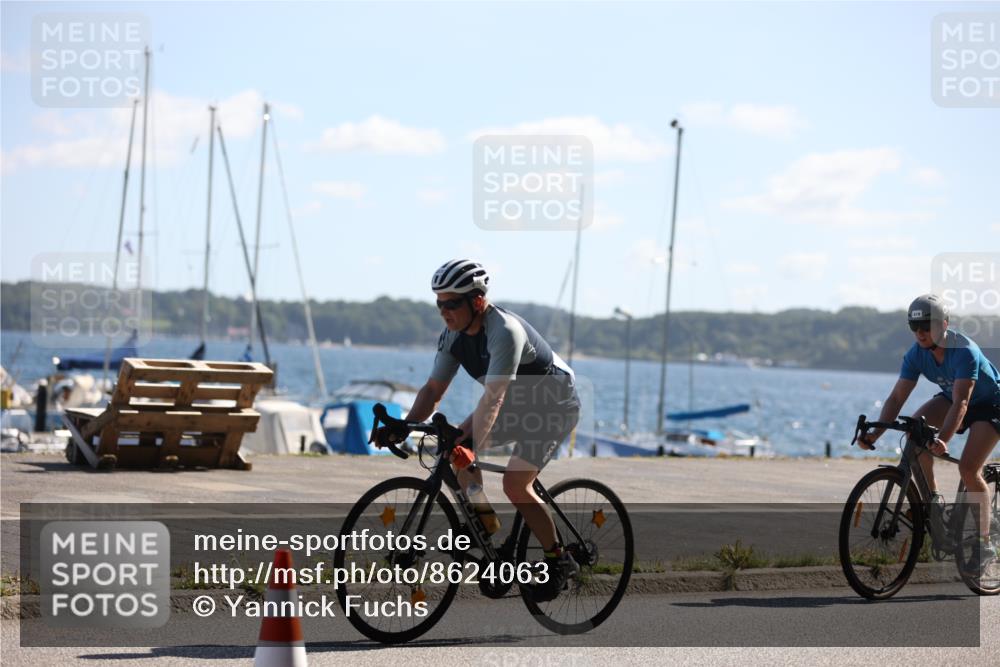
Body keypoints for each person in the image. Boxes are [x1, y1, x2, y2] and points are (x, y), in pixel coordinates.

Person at [378, 259, 581, 600]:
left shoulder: (505, 331)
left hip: (553, 405)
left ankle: (559, 560)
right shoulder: (453, 335)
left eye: (452, 303)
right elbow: (432, 391)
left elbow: (494, 398)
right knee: (455, 452)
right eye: (439, 303)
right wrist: (404, 427)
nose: (444, 311)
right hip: (513, 405)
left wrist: (473, 444)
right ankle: (485, 527)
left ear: (477, 301)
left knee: (515, 484)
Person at [860, 294, 1000, 576]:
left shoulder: (965, 351)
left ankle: (986, 544)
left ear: (944, 324)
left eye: (927, 326)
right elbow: (898, 396)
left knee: (968, 468)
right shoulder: (916, 354)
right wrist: (875, 434)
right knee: (914, 433)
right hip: (952, 397)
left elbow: (962, 402)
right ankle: (933, 503)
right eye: (915, 328)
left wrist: (943, 439)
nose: (921, 333)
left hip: (989, 404)